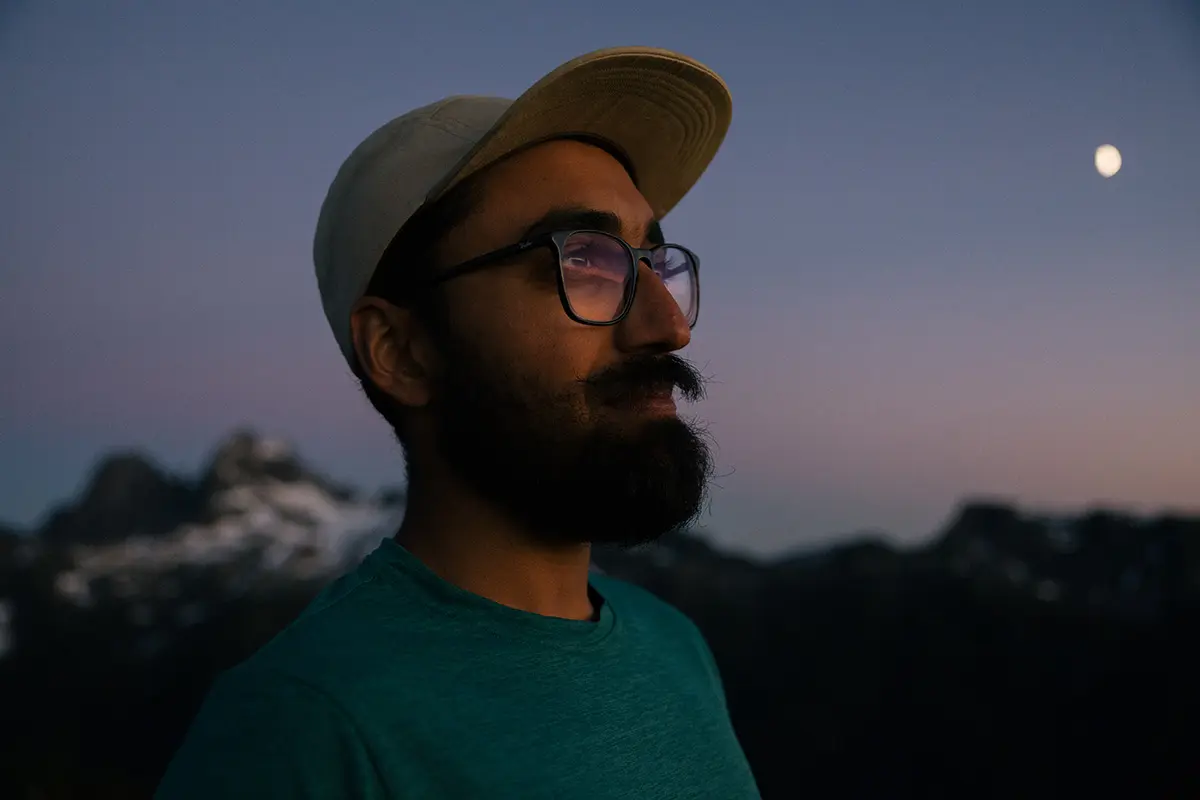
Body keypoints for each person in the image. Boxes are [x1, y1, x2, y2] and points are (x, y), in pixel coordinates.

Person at [155, 46, 760, 799]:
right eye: (585, 262)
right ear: (402, 351)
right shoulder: (299, 727)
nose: (669, 326)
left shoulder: (675, 646)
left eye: (652, 260)